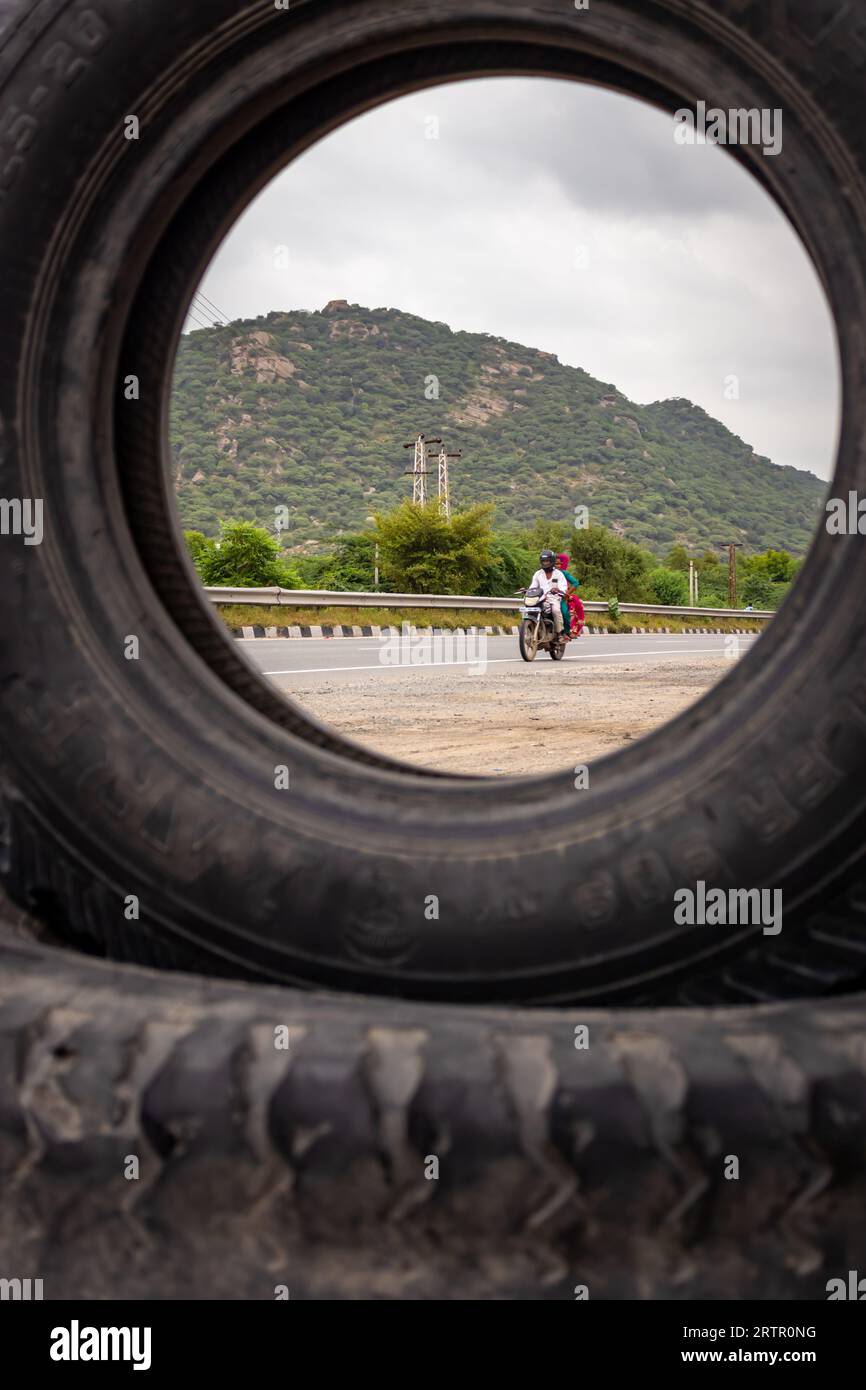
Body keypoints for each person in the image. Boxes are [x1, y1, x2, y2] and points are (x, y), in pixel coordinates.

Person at [528, 550, 567, 638]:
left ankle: (560, 633)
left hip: (554, 598)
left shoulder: (559, 574)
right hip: (540, 598)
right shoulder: (538, 574)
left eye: (547, 561)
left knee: (556, 611)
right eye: (543, 561)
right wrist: (528, 591)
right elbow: (533, 586)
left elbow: (563, 587)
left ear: (552, 561)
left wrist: (558, 590)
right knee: (529, 609)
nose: (545, 563)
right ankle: (530, 628)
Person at [556, 552, 585, 639]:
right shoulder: (542, 573)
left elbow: (575, 583)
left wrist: (567, 594)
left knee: (565, 612)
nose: (557, 566)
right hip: (546, 597)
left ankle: (567, 632)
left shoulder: (563, 573)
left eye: (559, 564)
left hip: (560, 597)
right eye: (555, 563)